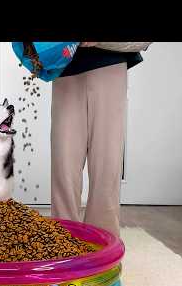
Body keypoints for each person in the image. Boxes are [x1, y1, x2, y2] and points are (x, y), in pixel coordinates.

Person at [50, 42, 143, 237]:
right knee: (63, 161)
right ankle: (63, 241)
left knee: (106, 161)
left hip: (109, 64)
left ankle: (103, 241)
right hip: (65, 66)